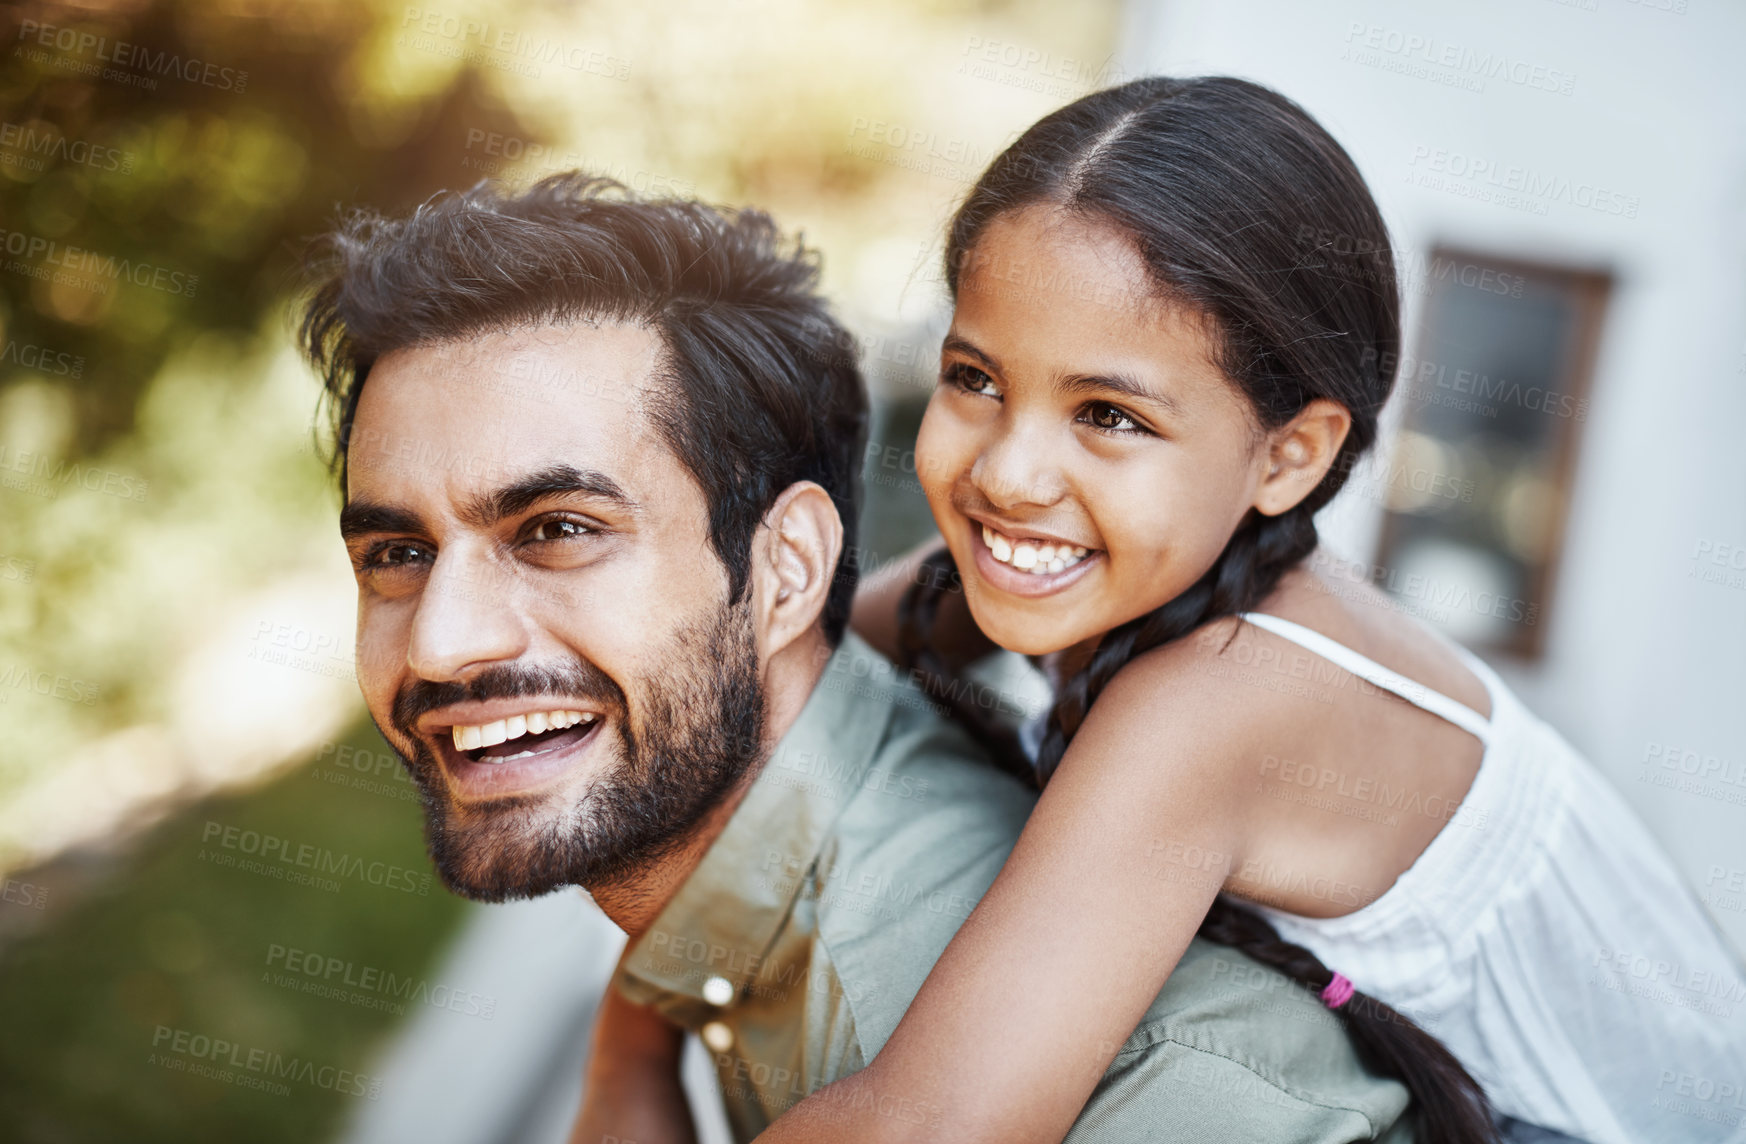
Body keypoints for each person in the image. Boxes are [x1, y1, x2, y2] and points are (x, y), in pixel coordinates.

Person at [597, 77, 1746, 1144]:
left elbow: (937, 1124)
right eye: (977, 379)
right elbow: (749, 697)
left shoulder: (1224, 696)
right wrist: (635, 1045)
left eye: (1111, 416)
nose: (1009, 472)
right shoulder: (1062, 578)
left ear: (1289, 456)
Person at [296, 173, 1423, 1143]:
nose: (442, 640)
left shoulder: (1041, 1062)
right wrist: (627, 1051)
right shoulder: (861, 740)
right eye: (396, 553)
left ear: (787, 570)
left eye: (559, 530)